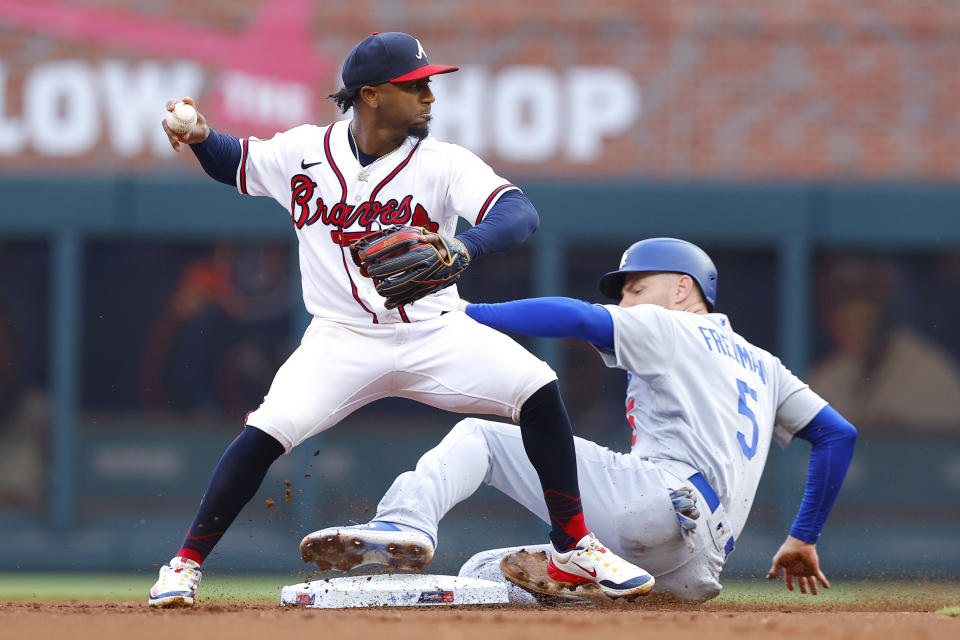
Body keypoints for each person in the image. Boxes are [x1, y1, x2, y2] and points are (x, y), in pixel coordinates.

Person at [149, 32, 651, 607]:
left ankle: (573, 548)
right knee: (265, 433)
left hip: (436, 331)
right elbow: (234, 161)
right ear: (370, 95)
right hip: (339, 340)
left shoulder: (442, 162)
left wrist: (466, 248)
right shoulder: (303, 151)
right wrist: (199, 136)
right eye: (415, 86)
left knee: (537, 388)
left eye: (429, 84)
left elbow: (518, 213)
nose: (429, 96)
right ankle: (184, 564)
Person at [314, 238, 858, 602]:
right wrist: (803, 537)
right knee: (484, 573)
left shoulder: (673, 327)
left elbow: (576, 317)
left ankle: (402, 523)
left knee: (479, 435)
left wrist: (464, 313)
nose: (626, 301)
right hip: (696, 569)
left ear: (683, 288)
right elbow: (837, 434)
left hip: (653, 505)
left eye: (636, 288)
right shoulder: (765, 365)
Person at [806, 254, 960, 431]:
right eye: (844, 300)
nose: (855, 316)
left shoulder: (932, 373)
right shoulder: (827, 376)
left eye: (866, 299)